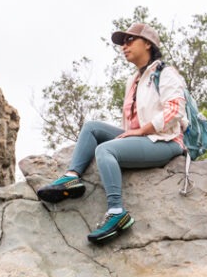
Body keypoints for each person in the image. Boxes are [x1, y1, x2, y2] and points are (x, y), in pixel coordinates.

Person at [37, 21, 187, 244]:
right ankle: (71, 179)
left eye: (129, 40)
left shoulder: (165, 73)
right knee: (92, 128)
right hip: (144, 138)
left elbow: (175, 110)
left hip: (165, 141)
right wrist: (132, 134)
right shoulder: (133, 80)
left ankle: (117, 212)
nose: (123, 47)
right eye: (121, 43)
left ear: (147, 44)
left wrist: (139, 132)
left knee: (106, 150)